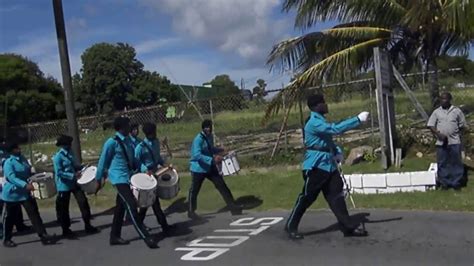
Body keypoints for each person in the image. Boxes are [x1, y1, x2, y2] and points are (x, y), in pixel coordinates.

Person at [285, 93, 369, 240]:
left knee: (337, 197)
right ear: (317, 106)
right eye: (323, 102)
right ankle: (291, 225)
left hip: (328, 166)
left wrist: (337, 152)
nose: (326, 104)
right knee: (307, 198)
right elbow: (334, 129)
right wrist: (357, 120)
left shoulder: (320, 121)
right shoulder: (314, 122)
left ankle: (347, 227)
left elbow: (327, 141)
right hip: (316, 166)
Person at [95, 117, 159, 249]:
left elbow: (135, 161)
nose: (130, 127)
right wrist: (98, 179)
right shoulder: (111, 143)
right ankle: (146, 237)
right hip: (119, 179)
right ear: (121, 127)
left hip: (128, 177)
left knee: (120, 207)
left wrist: (145, 170)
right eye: (127, 125)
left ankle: (114, 236)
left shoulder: (129, 141)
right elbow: (102, 162)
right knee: (131, 205)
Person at [2, 141, 56, 247]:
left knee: (34, 213)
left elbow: (28, 170)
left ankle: (43, 235)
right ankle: (7, 239)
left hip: (25, 193)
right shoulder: (9, 162)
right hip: (12, 194)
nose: (19, 148)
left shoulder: (23, 158)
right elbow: (11, 177)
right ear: (12, 150)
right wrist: (25, 185)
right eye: (17, 147)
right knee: (10, 218)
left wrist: (33, 176)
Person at [187, 119, 242, 220]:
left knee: (221, 185)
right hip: (198, 168)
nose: (210, 130)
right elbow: (197, 155)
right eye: (208, 128)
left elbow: (210, 148)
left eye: (210, 127)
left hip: (210, 167)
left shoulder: (210, 137)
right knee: (194, 189)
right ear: (204, 129)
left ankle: (233, 207)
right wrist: (212, 159)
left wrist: (220, 150)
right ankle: (191, 211)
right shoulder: (198, 139)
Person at [53, 134, 99, 239]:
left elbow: (74, 164)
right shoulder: (58, 157)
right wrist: (73, 175)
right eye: (68, 144)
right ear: (63, 145)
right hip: (63, 185)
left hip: (74, 183)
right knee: (64, 208)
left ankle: (87, 224)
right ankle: (66, 229)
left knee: (83, 202)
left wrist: (82, 167)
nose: (70, 145)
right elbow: (59, 172)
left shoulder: (70, 153)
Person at [135, 123, 172, 234]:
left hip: (156, 174)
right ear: (148, 134)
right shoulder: (140, 147)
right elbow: (136, 162)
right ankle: (164, 225)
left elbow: (157, 157)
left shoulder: (156, 142)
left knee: (148, 202)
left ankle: (139, 223)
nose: (155, 134)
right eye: (153, 133)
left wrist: (164, 164)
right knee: (154, 202)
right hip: (146, 176)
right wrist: (145, 169)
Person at [427, 92, 466, 190]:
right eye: (441, 99)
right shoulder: (437, 112)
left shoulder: (456, 111)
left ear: (449, 100)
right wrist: (438, 134)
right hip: (441, 142)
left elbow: (462, 125)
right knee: (442, 162)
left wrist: (456, 134)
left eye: (445, 99)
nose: (443, 101)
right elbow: (430, 125)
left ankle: (456, 183)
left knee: (456, 162)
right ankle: (444, 183)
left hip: (454, 141)